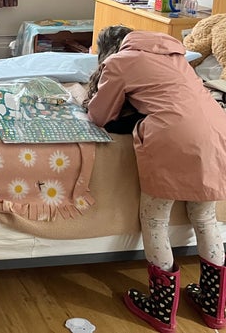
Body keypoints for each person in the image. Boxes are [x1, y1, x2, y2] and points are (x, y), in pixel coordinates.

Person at [85, 25, 226, 333]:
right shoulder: (175, 54)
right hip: (216, 130)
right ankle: (215, 308)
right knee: (205, 218)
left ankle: (162, 309)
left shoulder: (120, 62)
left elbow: (99, 115)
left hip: (174, 139)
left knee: (155, 219)